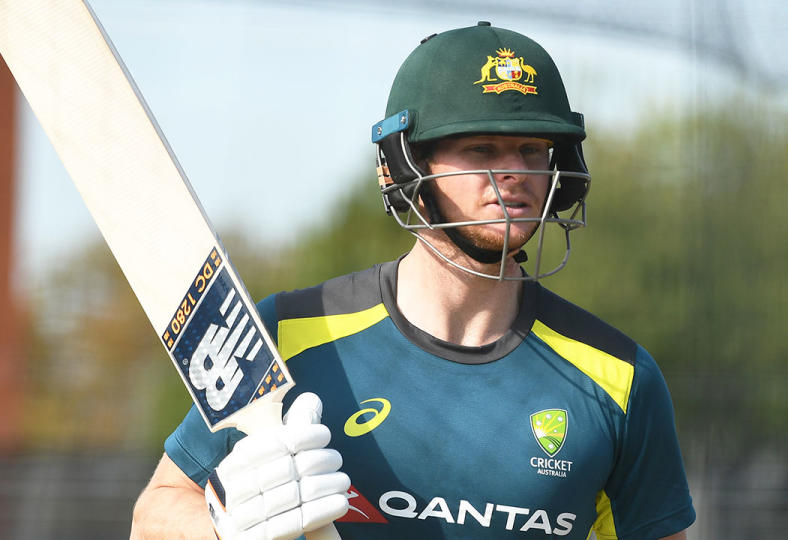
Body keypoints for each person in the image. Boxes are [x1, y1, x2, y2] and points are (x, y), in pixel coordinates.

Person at [131, 22, 695, 540]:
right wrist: (221, 527)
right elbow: (155, 512)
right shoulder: (288, 333)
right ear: (403, 168)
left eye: (532, 150)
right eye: (481, 149)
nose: (514, 174)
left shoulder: (621, 379)